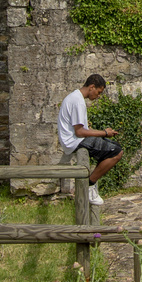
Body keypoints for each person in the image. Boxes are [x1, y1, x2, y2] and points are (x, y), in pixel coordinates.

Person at [57, 74, 122, 206]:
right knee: (116, 151)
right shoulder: (78, 101)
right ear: (92, 87)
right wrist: (104, 132)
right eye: (98, 92)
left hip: (74, 140)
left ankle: (92, 184)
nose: (98, 96)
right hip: (74, 141)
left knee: (112, 146)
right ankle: (90, 185)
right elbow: (80, 132)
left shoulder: (75, 97)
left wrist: (103, 134)